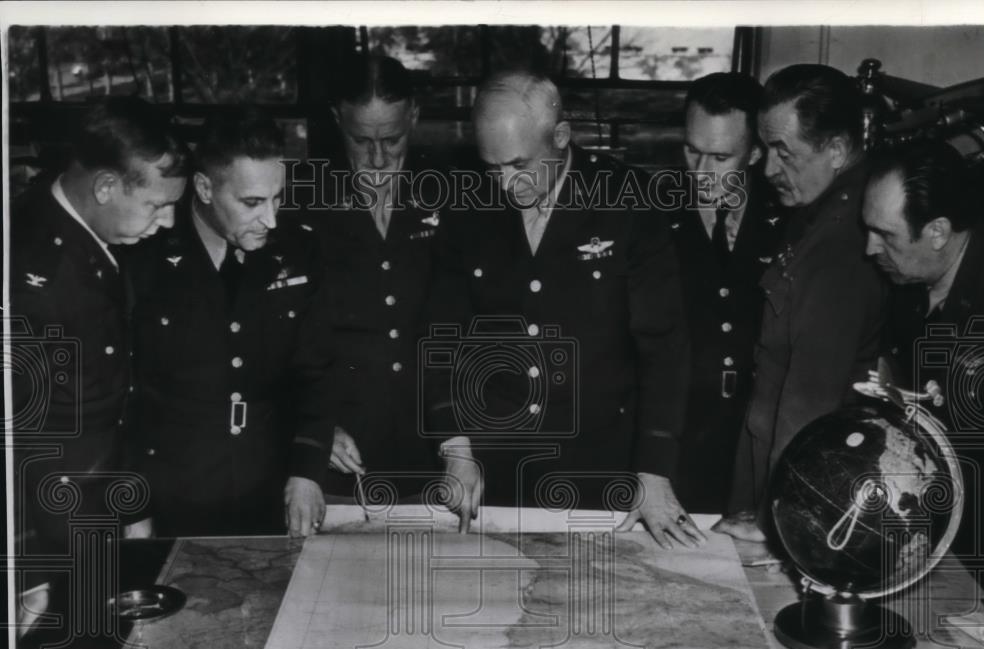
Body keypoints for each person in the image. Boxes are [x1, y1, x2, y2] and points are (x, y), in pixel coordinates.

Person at [430, 70, 703, 549]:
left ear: (560, 137)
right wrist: (455, 445)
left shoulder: (628, 200)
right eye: (492, 168)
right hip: (497, 464)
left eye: (518, 164)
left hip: (600, 462)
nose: (506, 184)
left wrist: (654, 470)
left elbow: (664, 348)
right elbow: (440, 331)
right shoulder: (466, 205)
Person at [10, 97, 187, 637]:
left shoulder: (98, 235)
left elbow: (117, 390)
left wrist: (133, 504)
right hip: (49, 534)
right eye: (157, 205)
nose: (169, 221)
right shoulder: (27, 262)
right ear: (106, 187)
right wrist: (28, 571)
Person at [122, 108, 328, 537]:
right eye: (252, 203)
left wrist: (307, 470)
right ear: (204, 187)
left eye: (277, 198)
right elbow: (123, 402)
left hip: (271, 496)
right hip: (173, 500)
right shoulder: (144, 255)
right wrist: (133, 511)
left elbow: (315, 371)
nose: (270, 220)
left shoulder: (296, 247)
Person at [719, 64, 886, 539]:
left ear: (836, 150)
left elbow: (808, 408)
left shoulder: (842, 244)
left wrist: (778, 523)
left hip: (795, 495)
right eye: (766, 149)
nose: (768, 169)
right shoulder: (819, 212)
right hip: (770, 473)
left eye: (784, 153)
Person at [297, 54, 449, 499]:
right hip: (340, 450)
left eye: (394, 139)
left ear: (415, 116)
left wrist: (459, 441)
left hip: (433, 444)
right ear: (335, 120)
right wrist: (314, 427)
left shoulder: (453, 191)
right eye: (360, 140)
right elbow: (278, 337)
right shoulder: (300, 199)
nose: (379, 158)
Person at [862, 141, 984, 598]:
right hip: (941, 537)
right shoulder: (909, 283)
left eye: (885, 234)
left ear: (937, 231)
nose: (869, 247)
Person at [669, 71, 786, 514]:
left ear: (756, 152)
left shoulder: (789, 216)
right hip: (678, 433)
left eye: (720, 157)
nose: (700, 173)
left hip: (755, 435)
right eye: (691, 151)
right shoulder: (651, 212)